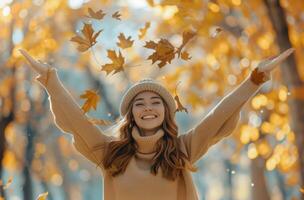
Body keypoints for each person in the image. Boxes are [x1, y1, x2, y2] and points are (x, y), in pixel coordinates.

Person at [19, 48, 294, 200]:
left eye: (156, 102)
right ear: (131, 114)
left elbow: (218, 117)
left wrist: (254, 80)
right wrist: (51, 81)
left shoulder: (182, 149)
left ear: (166, 111)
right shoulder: (110, 153)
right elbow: (76, 122)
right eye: (139, 103)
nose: (148, 108)